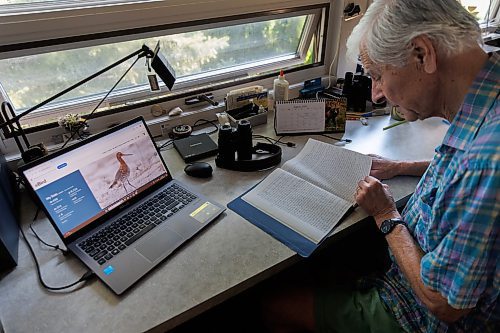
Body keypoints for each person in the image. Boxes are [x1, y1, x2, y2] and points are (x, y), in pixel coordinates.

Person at [261, 0, 499, 332]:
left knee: (269, 304)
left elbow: (442, 302)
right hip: (409, 265)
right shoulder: (488, 94)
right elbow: (466, 169)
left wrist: (386, 214)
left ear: (421, 54)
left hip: (418, 314)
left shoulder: (487, 160)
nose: (376, 94)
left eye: (377, 75)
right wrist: (404, 165)